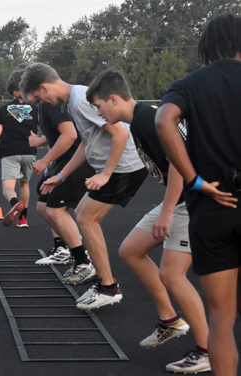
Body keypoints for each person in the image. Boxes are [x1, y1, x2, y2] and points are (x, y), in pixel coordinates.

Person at [88, 68, 210, 373]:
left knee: (172, 274)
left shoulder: (146, 121)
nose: (99, 115)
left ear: (113, 99)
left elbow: (180, 167)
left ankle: (208, 350)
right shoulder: (140, 120)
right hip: (178, 198)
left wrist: (167, 211)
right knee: (130, 250)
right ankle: (170, 320)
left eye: (99, 107)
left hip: (191, 202)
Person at [20, 63, 148, 310]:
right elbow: (85, 144)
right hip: (117, 166)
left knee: (86, 218)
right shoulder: (73, 100)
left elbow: (121, 134)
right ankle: (105, 284)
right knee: (83, 215)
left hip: (125, 166)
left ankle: (108, 287)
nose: (41, 102)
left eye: (38, 97)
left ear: (44, 87)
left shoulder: (79, 99)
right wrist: (62, 177)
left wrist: (106, 173)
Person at [156, 14, 241, 376]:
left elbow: (164, 121)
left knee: (221, 318)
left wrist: (194, 180)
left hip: (213, 207)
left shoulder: (190, 83)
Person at [14, 70, 96, 284]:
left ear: (42, 89)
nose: (32, 102)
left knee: (57, 209)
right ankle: (66, 249)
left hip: (76, 160)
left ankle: (83, 261)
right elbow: (60, 133)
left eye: (33, 97)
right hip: (65, 160)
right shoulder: (46, 103)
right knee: (43, 205)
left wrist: (45, 161)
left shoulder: (53, 103)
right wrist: (42, 142)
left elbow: (70, 135)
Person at [0, 70, 39, 228]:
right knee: (24, 184)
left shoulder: (4, 109)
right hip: (29, 150)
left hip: (9, 151)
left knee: (8, 189)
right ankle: (23, 219)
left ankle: (14, 203)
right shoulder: (36, 109)